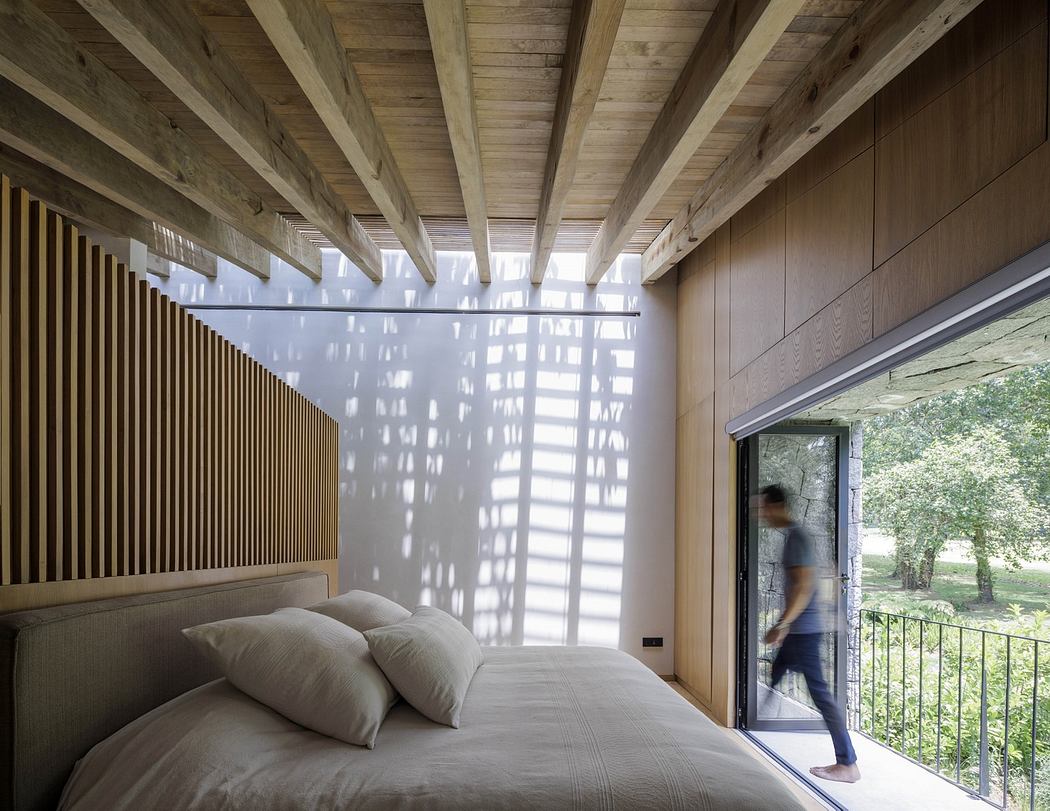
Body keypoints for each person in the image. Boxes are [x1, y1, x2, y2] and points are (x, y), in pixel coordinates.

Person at [758, 483, 860, 784]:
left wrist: (783, 624)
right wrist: (783, 624)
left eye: (764, 508)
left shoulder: (797, 538)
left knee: (821, 696)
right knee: (776, 672)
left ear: (776, 506)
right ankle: (753, 738)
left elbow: (804, 586)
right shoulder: (792, 537)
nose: (762, 514)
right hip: (799, 630)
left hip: (804, 631)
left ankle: (847, 763)